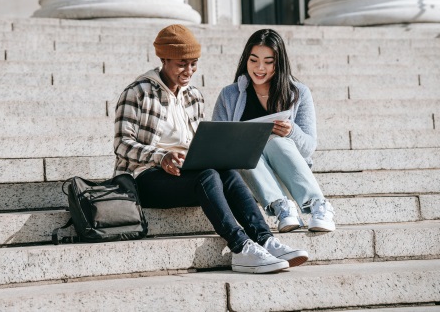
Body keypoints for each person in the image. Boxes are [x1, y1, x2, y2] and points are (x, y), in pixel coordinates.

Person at [113, 24, 309, 274]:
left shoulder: (193, 95)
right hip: (144, 178)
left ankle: (265, 239)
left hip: (187, 173)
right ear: (163, 58)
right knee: (208, 176)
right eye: (182, 63)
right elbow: (121, 144)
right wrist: (161, 157)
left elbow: (200, 141)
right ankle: (240, 247)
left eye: (194, 63)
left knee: (226, 172)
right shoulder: (137, 93)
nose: (189, 71)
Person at [212, 28, 335, 233]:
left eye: (268, 62)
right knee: (244, 149)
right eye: (253, 60)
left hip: (289, 172)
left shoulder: (298, 93)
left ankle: (318, 206)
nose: (260, 68)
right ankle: (283, 209)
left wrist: (291, 131)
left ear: (279, 63)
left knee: (277, 141)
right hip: (252, 176)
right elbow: (217, 143)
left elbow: (308, 149)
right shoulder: (229, 95)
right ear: (246, 60)